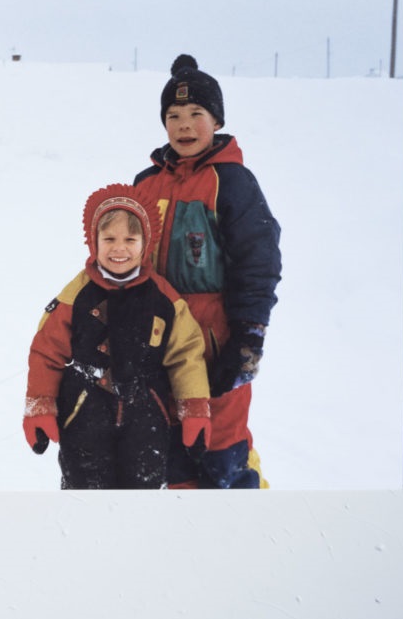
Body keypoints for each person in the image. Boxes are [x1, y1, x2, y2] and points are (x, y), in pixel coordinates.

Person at [131, 54, 281, 489]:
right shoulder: (145, 183)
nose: (184, 125)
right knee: (170, 447)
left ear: (216, 121)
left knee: (221, 449)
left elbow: (260, 262)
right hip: (158, 344)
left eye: (196, 114)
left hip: (214, 344)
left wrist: (249, 337)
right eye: (174, 115)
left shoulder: (233, 182)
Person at [22, 184, 213, 490]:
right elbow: (46, 351)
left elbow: (185, 355)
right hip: (84, 410)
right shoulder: (77, 294)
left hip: (147, 412)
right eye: (109, 239)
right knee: (84, 490)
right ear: (93, 242)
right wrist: (40, 407)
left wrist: (193, 408)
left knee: (142, 490)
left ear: (145, 242)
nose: (119, 249)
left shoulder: (164, 299)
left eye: (130, 239)